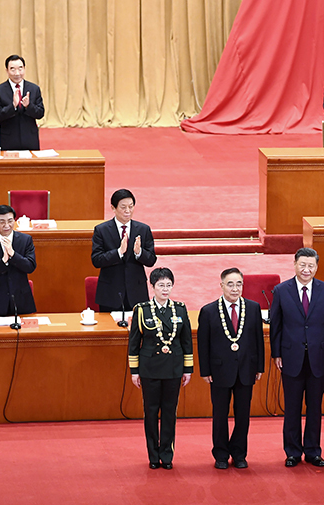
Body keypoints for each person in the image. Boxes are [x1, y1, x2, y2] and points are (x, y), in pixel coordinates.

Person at [270, 248, 324, 467]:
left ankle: (313, 451)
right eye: (302, 265)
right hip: (291, 357)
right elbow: (276, 325)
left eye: (311, 266)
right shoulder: (281, 290)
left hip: (319, 358)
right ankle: (292, 452)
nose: (306, 269)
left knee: (315, 407)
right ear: (294, 265)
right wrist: (276, 353)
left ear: (316, 267)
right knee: (292, 407)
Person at [197, 268, 265, 469]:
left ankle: (239, 453)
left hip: (246, 370)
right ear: (221, 286)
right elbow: (203, 343)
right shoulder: (208, 311)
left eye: (239, 284)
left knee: (243, 415)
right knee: (220, 415)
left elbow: (258, 340)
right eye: (230, 284)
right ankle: (220, 454)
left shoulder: (253, 308)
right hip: (219, 372)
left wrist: (259, 366)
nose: (235, 289)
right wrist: (205, 370)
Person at [128, 268, 193, 470]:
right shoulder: (142, 310)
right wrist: (134, 371)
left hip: (173, 368)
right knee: (150, 412)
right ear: (152, 286)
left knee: (169, 412)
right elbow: (134, 343)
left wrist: (188, 369)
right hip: (150, 369)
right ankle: (153, 455)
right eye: (161, 285)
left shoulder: (180, 309)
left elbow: (187, 341)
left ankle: (167, 454)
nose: (165, 289)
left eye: (168, 285)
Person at [91, 189, 157, 312]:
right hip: (110, 294)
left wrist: (139, 252)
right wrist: (118, 252)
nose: (128, 211)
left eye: (131, 206)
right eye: (123, 207)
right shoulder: (101, 230)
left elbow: (151, 260)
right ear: (113, 208)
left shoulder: (143, 229)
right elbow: (96, 260)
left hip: (137, 293)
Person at [0, 205, 37, 316]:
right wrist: (3, 261)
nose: (6, 225)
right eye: (2, 222)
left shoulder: (26, 240)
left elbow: (30, 266)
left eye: (10, 221)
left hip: (22, 301)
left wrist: (13, 254)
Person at [0, 54, 45, 150]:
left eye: (20, 69)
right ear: (7, 70)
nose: (17, 73)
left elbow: (40, 113)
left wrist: (28, 106)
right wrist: (13, 106)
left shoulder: (34, 89)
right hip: (8, 140)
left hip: (30, 139)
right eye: (13, 69)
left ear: (24, 69)